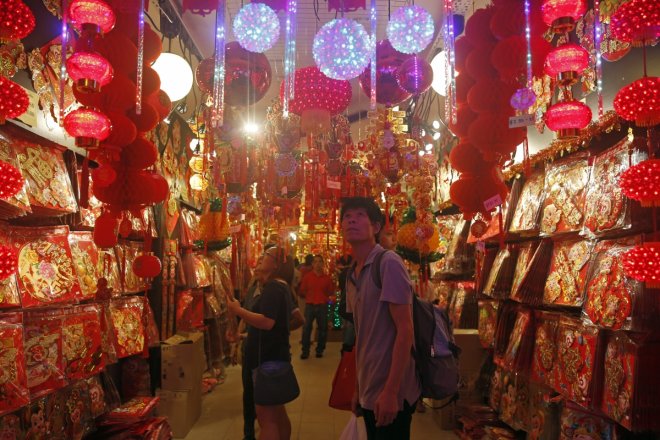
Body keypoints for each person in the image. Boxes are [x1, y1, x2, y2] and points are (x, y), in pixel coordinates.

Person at [341, 197, 420, 440]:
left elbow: (405, 330)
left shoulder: (388, 263)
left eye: (360, 215)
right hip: (369, 388)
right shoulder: (352, 275)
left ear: (376, 227)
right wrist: (358, 388)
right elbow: (362, 336)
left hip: (392, 391)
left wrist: (391, 391)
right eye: (346, 216)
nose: (352, 219)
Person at [227, 247, 298, 440]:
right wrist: (243, 336)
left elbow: (267, 322)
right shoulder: (279, 286)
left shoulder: (274, 287)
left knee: (267, 418)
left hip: (267, 359)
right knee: (277, 413)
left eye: (267, 255)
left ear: (276, 264)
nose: (261, 257)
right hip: (274, 356)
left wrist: (238, 310)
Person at [298, 254, 336, 359]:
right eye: (316, 262)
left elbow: (330, 292)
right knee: (306, 329)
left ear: (323, 264)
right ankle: (305, 351)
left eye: (320, 262)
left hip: (322, 305)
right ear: (312, 264)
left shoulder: (327, 278)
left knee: (323, 329)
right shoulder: (307, 277)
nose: (318, 264)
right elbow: (302, 290)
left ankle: (320, 350)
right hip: (310, 305)